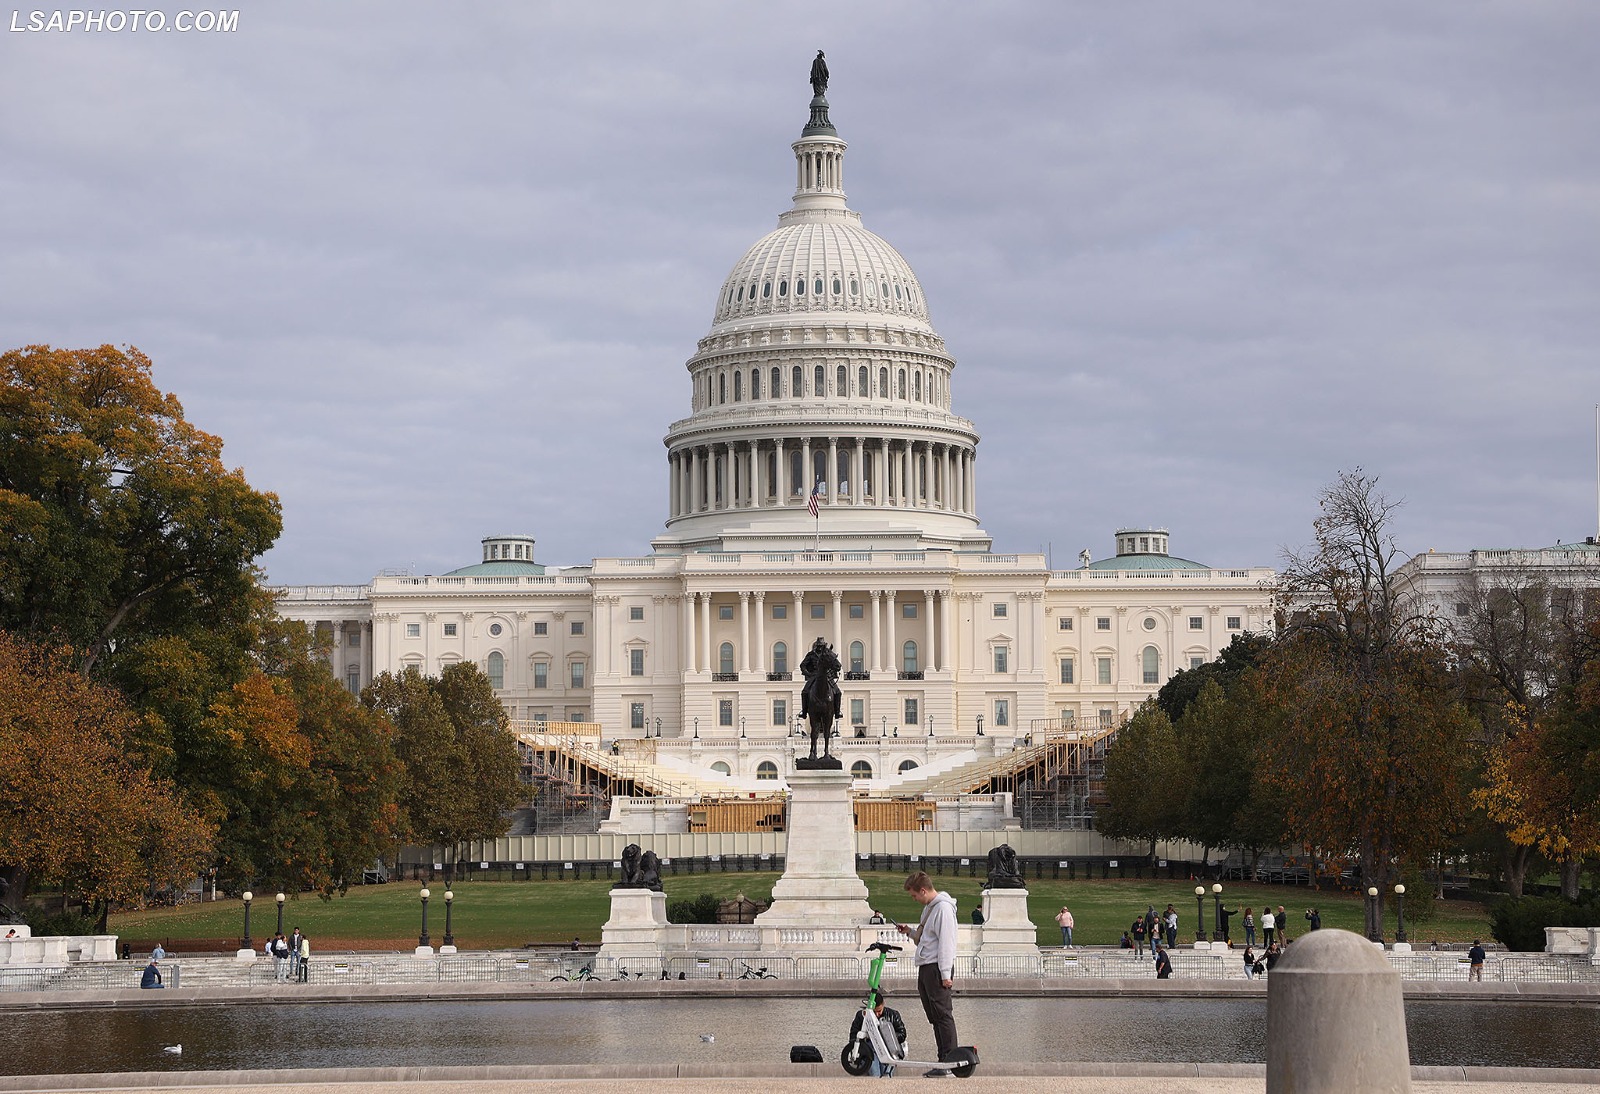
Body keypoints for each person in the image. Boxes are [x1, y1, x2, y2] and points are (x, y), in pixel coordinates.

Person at [895, 871, 958, 1077]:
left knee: (942, 1015)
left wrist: (945, 974)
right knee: (935, 1016)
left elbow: (947, 943)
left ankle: (949, 1061)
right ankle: (943, 1060)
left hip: (936, 968)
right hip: (926, 966)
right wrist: (910, 932)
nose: (914, 899)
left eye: (914, 895)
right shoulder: (929, 909)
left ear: (923, 890)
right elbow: (927, 939)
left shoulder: (943, 909)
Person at [848, 989, 908, 1077]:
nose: (877, 1014)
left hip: (888, 1050)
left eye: (879, 1011)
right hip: (870, 1050)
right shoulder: (861, 1016)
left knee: (886, 1073)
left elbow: (902, 1034)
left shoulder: (893, 1014)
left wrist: (887, 1037)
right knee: (875, 1073)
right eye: (874, 1011)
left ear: (883, 1004)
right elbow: (853, 1036)